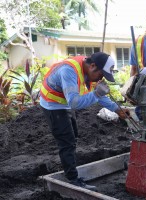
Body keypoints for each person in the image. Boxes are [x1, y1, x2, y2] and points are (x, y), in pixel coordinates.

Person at [40, 52, 129, 191]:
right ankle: (72, 179)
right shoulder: (69, 71)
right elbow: (75, 102)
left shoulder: (88, 70)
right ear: (93, 66)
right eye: (101, 74)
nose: (100, 78)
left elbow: (98, 94)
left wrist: (117, 109)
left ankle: (68, 167)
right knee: (66, 141)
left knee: (73, 135)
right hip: (52, 104)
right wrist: (97, 93)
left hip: (65, 102)